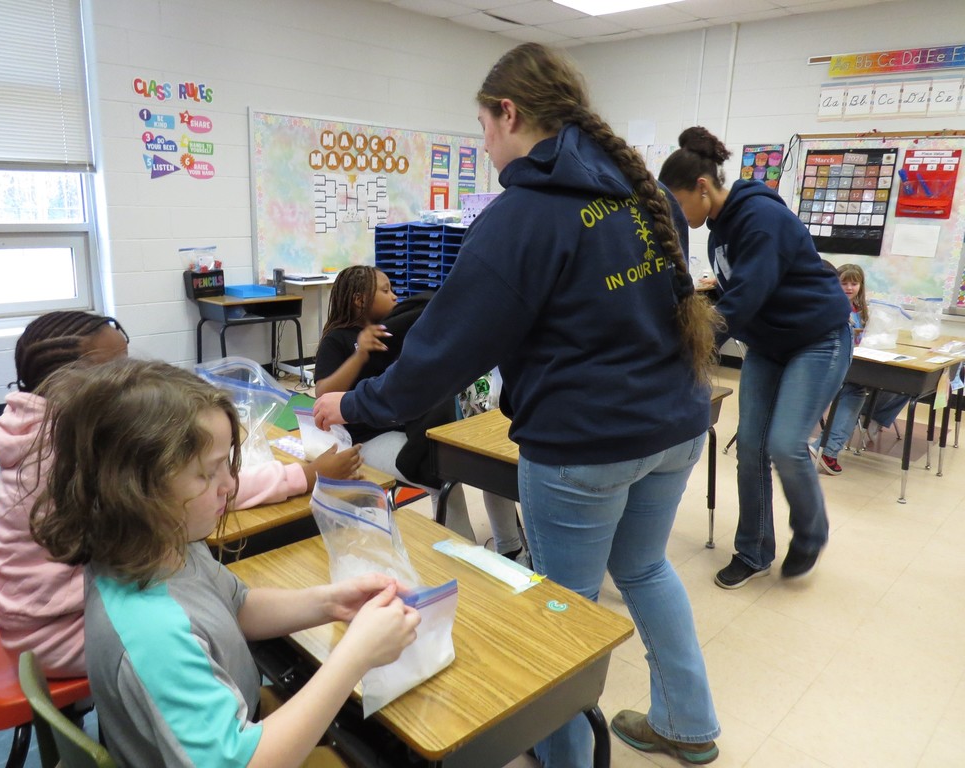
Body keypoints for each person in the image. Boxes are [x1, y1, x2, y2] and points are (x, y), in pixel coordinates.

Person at [315, 43, 724, 767]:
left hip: (586, 441)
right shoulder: (642, 192)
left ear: (509, 112)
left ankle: (564, 755)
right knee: (645, 569)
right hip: (679, 421)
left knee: (557, 603)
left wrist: (356, 406)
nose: (485, 145)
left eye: (483, 126)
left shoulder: (524, 215)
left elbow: (443, 352)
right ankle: (688, 724)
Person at [30, 357, 419, 767]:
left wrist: (329, 602)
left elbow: (236, 605)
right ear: (136, 489)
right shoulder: (151, 634)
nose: (230, 485)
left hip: (236, 724)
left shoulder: (163, 543)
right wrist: (354, 655)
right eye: (208, 474)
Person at [0, 310, 362, 678]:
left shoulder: (35, 425)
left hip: (27, 611)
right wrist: (304, 475)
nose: (131, 383)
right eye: (115, 372)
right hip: (54, 633)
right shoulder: (70, 451)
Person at [659, 126, 852, 590]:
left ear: (702, 188)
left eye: (678, 203)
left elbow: (744, 298)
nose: (675, 215)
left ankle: (811, 531)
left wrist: (680, 342)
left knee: (785, 443)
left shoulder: (761, 218)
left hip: (817, 340)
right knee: (750, 447)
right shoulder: (718, 230)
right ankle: (754, 550)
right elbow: (733, 293)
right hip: (770, 345)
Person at [314, 265, 527, 562]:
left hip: (411, 426)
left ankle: (511, 549)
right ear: (360, 300)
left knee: (486, 464)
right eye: (386, 290)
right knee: (440, 473)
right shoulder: (338, 339)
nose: (395, 296)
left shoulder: (396, 330)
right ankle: (465, 559)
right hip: (368, 439)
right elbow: (323, 394)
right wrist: (360, 353)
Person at [809, 263, 908, 475]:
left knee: (902, 385)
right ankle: (827, 449)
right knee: (854, 390)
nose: (849, 288)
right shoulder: (830, 306)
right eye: (843, 283)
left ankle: (870, 419)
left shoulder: (862, 310)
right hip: (828, 368)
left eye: (854, 283)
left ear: (861, 286)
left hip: (856, 364)